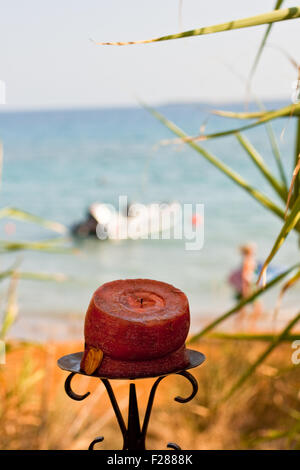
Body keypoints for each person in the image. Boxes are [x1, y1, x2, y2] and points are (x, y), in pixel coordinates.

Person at [228, 243, 262, 331]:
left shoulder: (248, 260)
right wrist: (244, 289)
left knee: (242, 309)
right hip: (248, 286)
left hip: (249, 286)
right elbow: (244, 276)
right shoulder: (247, 261)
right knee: (255, 308)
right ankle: (249, 326)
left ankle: (242, 326)